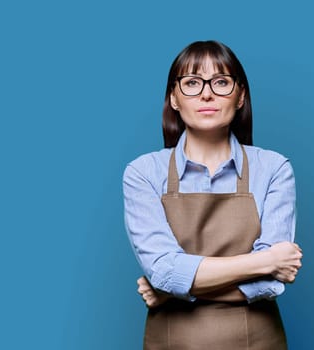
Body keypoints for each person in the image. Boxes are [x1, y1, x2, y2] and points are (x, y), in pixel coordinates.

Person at [123, 40, 303, 349]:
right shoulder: (143, 173)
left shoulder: (273, 168)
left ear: (241, 96)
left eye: (221, 82)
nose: (207, 93)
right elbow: (163, 270)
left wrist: (169, 289)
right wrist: (266, 260)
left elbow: (270, 284)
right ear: (174, 98)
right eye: (192, 82)